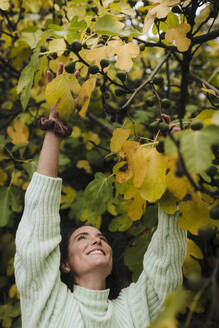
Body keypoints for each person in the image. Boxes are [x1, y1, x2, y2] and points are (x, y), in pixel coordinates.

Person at [14, 64, 187, 328]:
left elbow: (166, 262)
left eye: (101, 238)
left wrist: (174, 165)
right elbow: (37, 229)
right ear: (65, 265)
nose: (97, 241)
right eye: (83, 238)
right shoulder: (48, 302)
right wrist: (54, 131)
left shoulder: (135, 307)